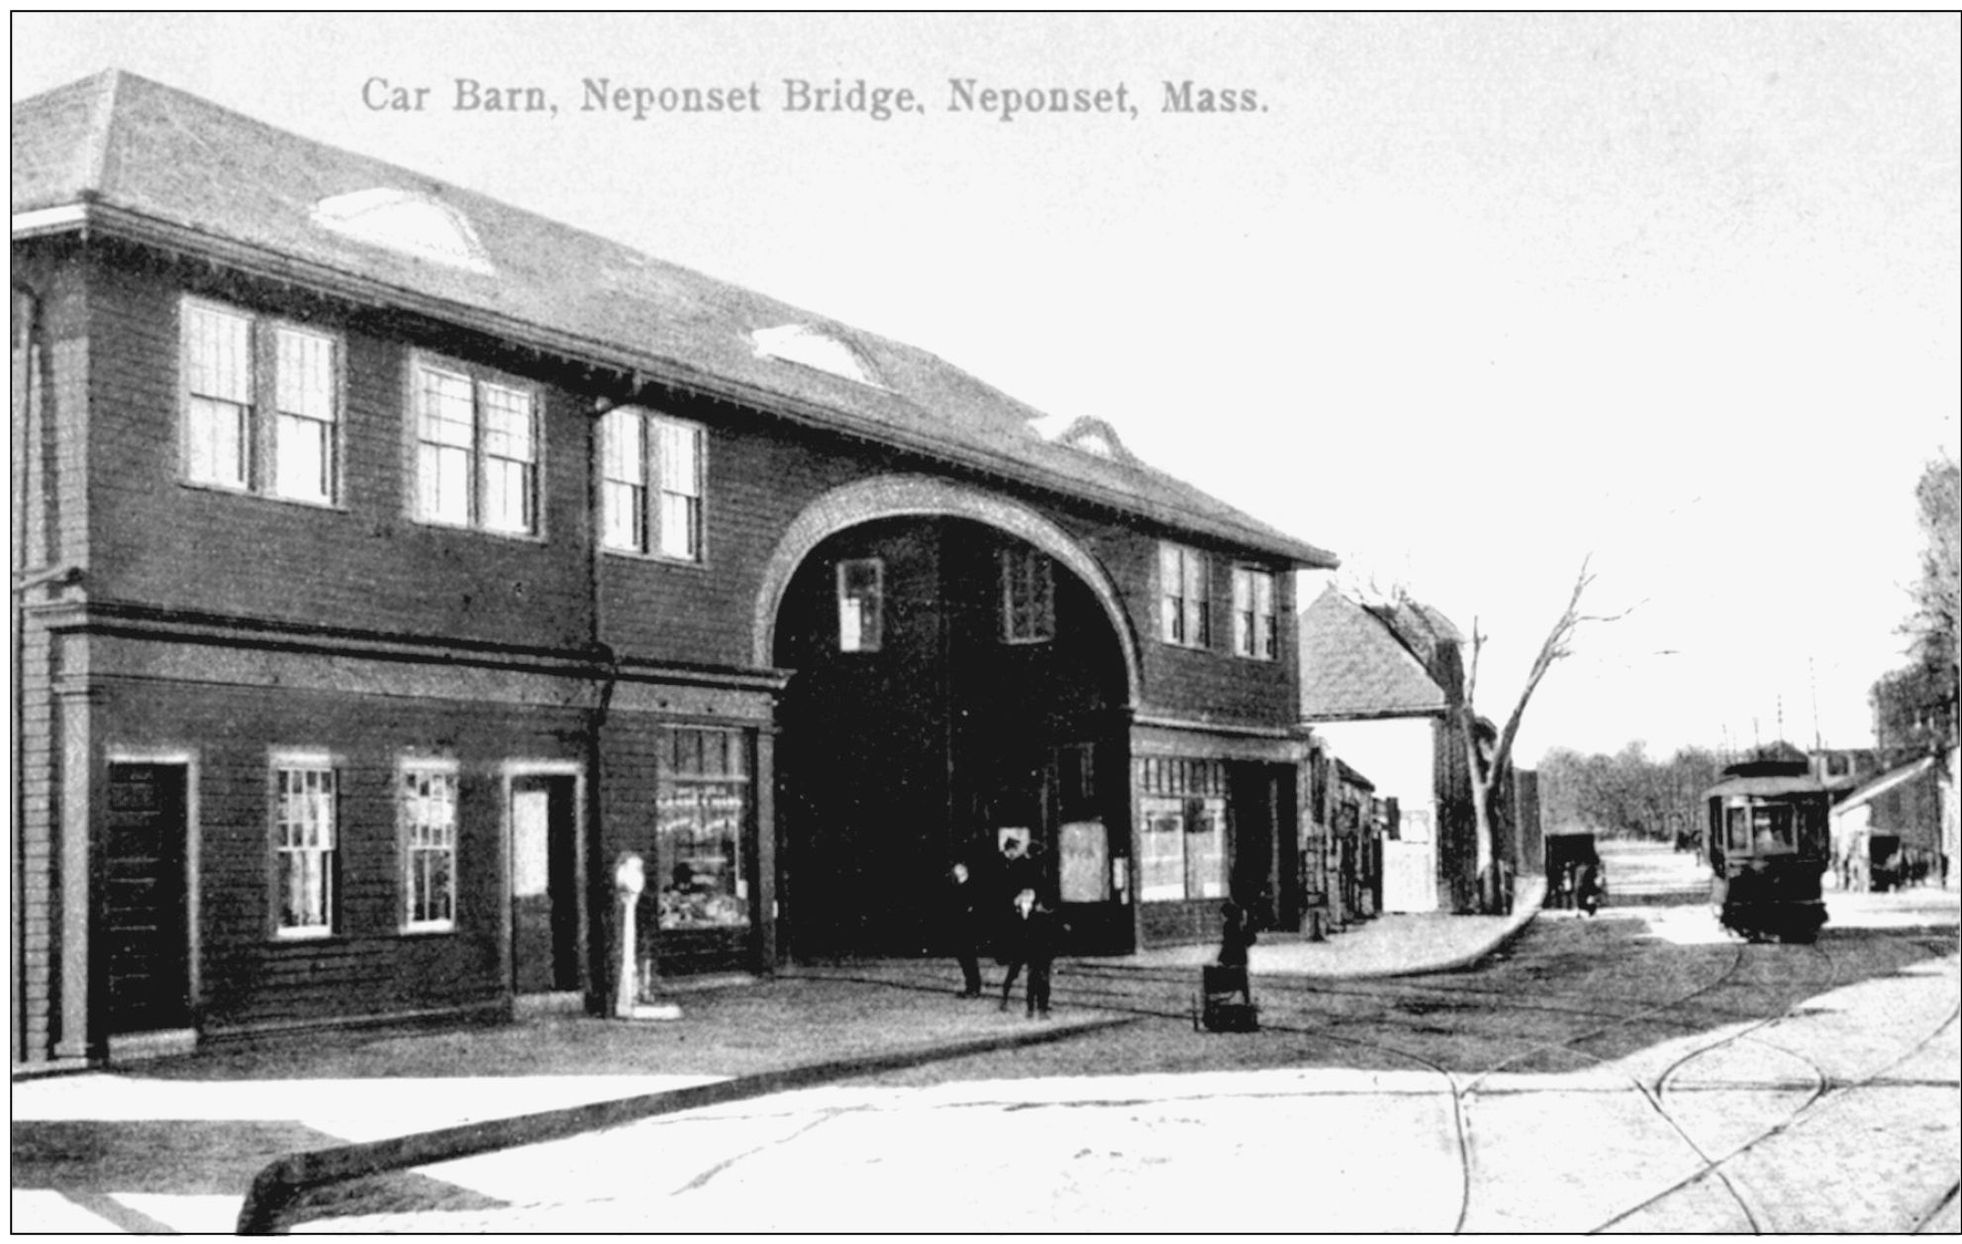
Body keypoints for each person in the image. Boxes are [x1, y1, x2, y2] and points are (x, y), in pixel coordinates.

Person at [999, 884, 1060, 1018]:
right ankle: (1007, 999)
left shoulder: (1037, 913)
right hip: (1020, 947)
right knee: (1014, 974)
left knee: (1039, 979)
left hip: (1034, 949)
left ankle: (1037, 1008)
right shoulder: (1016, 911)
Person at [947, 859, 985, 998]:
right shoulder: (955, 886)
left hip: (969, 928)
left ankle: (973, 987)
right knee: (964, 958)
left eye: (960, 869)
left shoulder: (972, 886)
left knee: (969, 958)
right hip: (960, 927)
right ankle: (971, 986)